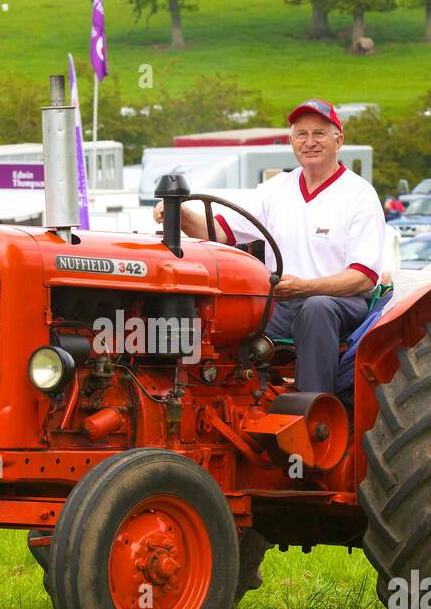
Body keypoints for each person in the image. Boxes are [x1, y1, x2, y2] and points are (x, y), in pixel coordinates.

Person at [153, 97, 384, 394]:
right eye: (302, 134)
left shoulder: (358, 194)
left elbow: (364, 276)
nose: (309, 142)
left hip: (340, 301)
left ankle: (312, 410)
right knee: (227, 313)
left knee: (316, 309)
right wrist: (180, 213)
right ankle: (210, 396)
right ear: (292, 141)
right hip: (282, 300)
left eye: (319, 134)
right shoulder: (278, 189)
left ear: (338, 140)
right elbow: (219, 232)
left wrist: (307, 287)